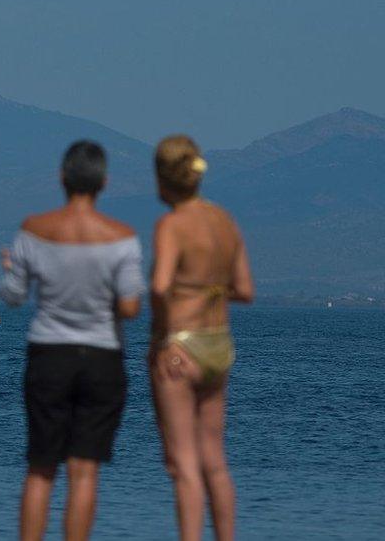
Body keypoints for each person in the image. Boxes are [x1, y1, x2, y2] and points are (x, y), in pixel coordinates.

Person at [0, 141, 144, 541]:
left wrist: (10, 267)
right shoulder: (123, 238)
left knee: (41, 467)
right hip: (101, 360)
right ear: (104, 183)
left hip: (49, 357)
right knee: (84, 470)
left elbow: (13, 295)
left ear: (62, 179)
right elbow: (131, 307)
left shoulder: (33, 230)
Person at [148, 135, 253, 541]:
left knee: (183, 465)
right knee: (216, 462)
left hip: (181, 346)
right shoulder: (225, 221)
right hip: (219, 344)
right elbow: (244, 289)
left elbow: (159, 288)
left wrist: (163, 337)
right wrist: (210, 289)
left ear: (162, 179)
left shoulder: (172, 225)